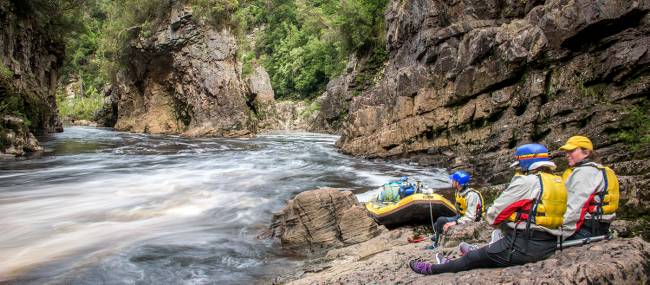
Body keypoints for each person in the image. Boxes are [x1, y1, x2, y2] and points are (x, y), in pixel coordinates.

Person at [410, 143, 567, 275]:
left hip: (524, 246)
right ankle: (483, 247)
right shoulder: (557, 181)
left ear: (526, 162)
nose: (518, 169)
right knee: (487, 248)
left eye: (519, 165)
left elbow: (494, 215)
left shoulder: (527, 182)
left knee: (471, 259)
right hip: (550, 242)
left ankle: (433, 269)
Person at [559, 136, 619, 240]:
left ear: (586, 153)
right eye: (566, 152)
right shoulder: (604, 170)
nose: (567, 155)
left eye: (572, 151)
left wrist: (560, 235)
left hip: (585, 229)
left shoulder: (584, 172)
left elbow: (575, 209)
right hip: (601, 227)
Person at [429, 170, 484, 248]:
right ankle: (439, 235)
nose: (451, 181)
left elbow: (472, 217)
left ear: (458, 183)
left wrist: (455, 222)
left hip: (473, 220)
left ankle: (436, 245)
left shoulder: (472, 195)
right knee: (436, 224)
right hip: (462, 216)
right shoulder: (458, 192)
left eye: (453, 180)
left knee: (441, 220)